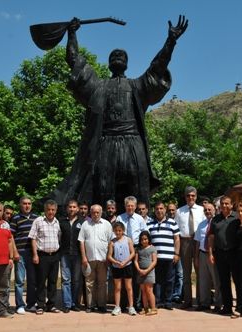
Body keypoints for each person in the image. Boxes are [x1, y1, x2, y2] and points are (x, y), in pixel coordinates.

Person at [50, 15, 188, 209]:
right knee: (103, 191)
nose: (117, 57)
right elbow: (75, 62)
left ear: (127, 63)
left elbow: (157, 67)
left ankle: (143, 232)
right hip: (106, 144)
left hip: (133, 143)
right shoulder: (98, 86)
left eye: (121, 56)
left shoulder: (137, 86)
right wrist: (71, 34)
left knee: (140, 191)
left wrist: (170, 41)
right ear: (109, 64)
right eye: (113, 56)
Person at [207, 196, 239, 315]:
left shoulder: (237, 217)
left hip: (234, 253)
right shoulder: (215, 219)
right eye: (222, 204)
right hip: (220, 254)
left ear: (231, 205)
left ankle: (240, 307)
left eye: (227, 203)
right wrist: (210, 253)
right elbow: (211, 237)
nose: (224, 206)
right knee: (224, 282)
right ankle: (227, 307)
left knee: (237, 281)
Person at [78, 204, 113, 313]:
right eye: (93, 212)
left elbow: (111, 242)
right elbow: (81, 241)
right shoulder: (85, 224)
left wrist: (108, 257)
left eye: (98, 212)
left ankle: (102, 305)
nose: (95, 214)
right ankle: (90, 305)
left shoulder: (107, 224)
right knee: (89, 283)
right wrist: (84, 257)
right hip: (89, 259)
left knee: (102, 283)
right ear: (90, 213)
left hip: (103, 259)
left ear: (101, 213)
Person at [29, 199, 61, 314]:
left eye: (53, 210)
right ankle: (40, 305)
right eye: (48, 210)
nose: (51, 212)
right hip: (42, 256)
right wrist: (35, 254)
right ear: (45, 210)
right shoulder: (38, 221)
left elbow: (59, 237)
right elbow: (32, 238)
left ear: (56, 210)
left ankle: (51, 305)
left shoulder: (57, 222)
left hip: (55, 255)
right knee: (41, 281)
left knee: (53, 281)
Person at [175, 186, 204, 308]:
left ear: (196, 196)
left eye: (193, 195)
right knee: (186, 273)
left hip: (198, 242)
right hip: (185, 242)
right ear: (185, 197)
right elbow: (176, 229)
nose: (190, 197)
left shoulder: (202, 210)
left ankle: (200, 300)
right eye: (188, 195)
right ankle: (187, 301)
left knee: (200, 273)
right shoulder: (179, 211)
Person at [147, 201, 180, 310]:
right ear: (154, 210)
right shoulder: (149, 224)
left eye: (161, 208)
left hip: (169, 256)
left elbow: (176, 239)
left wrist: (176, 253)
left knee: (170, 280)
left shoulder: (172, 223)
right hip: (155, 258)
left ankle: (168, 301)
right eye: (157, 209)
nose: (159, 211)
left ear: (165, 210)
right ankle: (158, 301)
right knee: (157, 280)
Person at [116, 196, 147, 309]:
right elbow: (116, 233)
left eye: (132, 205)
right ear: (125, 206)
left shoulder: (139, 219)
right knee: (124, 276)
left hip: (136, 248)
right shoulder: (120, 217)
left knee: (136, 276)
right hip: (123, 248)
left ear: (135, 206)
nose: (130, 207)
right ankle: (124, 304)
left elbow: (145, 234)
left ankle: (136, 303)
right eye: (128, 205)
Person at [10, 197, 39, 315]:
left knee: (33, 280)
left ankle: (31, 304)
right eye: (24, 204)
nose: (27, 206)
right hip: (20, 253)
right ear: (20, 205)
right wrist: (15, 252)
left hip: (33, 253)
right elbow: (11, 236)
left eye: (29, 204)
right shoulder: (15, 218)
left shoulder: (36, 218)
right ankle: (20, 305)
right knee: (20, 281)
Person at [194, 202, 221, 312]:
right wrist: (196, 257)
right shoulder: (201, 224)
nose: (207, 212)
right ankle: (204, 303)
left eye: (210, 209)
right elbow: (197, 242)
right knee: (203, 280)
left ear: (214, 210)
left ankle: (218, 303)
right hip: (202, 254)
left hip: (214, 254)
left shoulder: (218, 223)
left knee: (216, 279)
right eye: (205, 210)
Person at [59, 199, 84, 312]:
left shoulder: (82, 222)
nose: (72, 209)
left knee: (76, 280)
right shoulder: (61, 222)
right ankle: (67, 304)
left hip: (78, 255)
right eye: (70, 207)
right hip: (64, 255)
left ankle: (75, 303)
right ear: (67, 208)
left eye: (74, 207)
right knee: (66, 280)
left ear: (77, 209)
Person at [107, 223, 136, 316]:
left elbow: (132, 253)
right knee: (117, 288)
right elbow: (109, 256)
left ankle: (131, 307)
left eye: (120, 230)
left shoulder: (128, 240)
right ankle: (117, 307)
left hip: (127, 266)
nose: (118, 232)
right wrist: (116, 262)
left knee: (128, 287)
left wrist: (125, 261)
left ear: (123, 230)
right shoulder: (112, 242)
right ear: (113, 231)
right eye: (116, 231)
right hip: (116, 267)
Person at [134, 231, 157, 315]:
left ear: (149, 239)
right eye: (142, 239)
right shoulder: (138, 249)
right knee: (143, 291)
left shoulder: (152, 248)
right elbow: (135, 261)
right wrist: (139, 270)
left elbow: (154, 261)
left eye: (145, 239)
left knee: (149, 290)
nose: (144, 241)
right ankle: (146, 308)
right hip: (140, 272)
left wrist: (147, 270)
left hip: (149, 272)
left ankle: (153, 308)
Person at [167, 202, 183, 303]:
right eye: (169, 210)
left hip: (179, 251)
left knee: (179, 273)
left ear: (176, 210)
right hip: (168, 252)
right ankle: (170, 294)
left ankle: (178, 295)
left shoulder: (179, 221)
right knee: (170, 274)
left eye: (173, 210)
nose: (171, 212)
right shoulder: (165, 221)